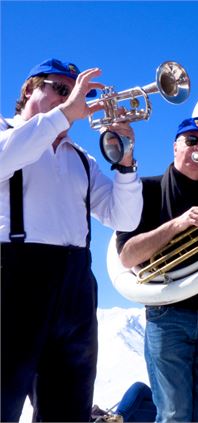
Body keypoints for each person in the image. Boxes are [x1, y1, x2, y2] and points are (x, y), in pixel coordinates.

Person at [0, 58, 143, 422]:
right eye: (61, 89)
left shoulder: (82, 159)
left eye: (74, 91)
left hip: (75, 287)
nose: (71, 98)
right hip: (13, 281)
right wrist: (64, 114)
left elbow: (123, 217)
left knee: (67, 410)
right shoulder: (5, 132)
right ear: (31, 88)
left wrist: (125, 162)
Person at [116, 116, 198, 422]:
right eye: (192, 141)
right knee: (174, 414)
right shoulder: (145, 190)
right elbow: (127, 256)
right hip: (169, 316)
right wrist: (178, 224)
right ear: (175, 146)